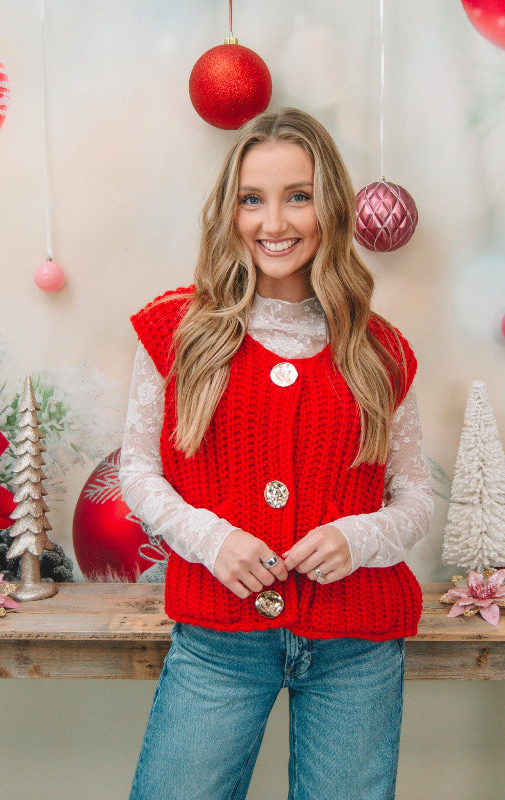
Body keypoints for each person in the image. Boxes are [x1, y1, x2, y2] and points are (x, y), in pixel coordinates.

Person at [120, 107, 433, 800]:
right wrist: (210, 537)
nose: (275, 223)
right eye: (252, 200)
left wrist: (358, 536)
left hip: (358, 643)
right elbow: (137, 471)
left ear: (329, 207)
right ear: (229, 212)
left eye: (298, 197)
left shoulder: (382, 349)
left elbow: (415, 499)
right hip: (219, 638)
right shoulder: (178, 329)